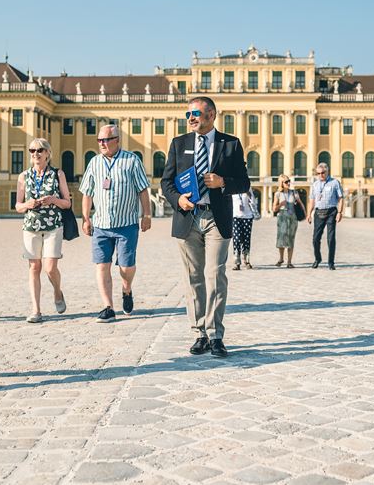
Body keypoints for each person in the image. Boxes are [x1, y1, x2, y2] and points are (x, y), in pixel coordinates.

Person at [162, 96, 249, 357]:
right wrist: (178, 199)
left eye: (196, 113)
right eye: (188, 114)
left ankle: (216, 334)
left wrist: (223, 182)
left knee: (215, 274)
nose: (191, 118)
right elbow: (166, 182)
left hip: (216, 218)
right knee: (193, 277)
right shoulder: (179, 144)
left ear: (211, 114)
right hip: (188, 217)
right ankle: (199, 332)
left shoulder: (230, 144)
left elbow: (244, 183)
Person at [80, 124, 151, 323]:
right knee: (102, 265)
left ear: (117, 140)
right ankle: (107, 307)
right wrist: (86, 218)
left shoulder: (131, 160)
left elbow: (143, 190)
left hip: (126, 224)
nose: (102, 143)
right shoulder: (94, 162)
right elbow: (87, 192)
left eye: (106, 140)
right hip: (101, 225)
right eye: (99, 140)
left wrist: (146, 215)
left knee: (126, 267)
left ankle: (126, 289)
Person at [15, 138, 71, 323]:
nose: (35, 154)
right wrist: (27, 204)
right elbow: (17, 206)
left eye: (39, 150)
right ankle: (36, 310)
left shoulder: (58, 174)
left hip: (53, 226)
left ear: (47, 153)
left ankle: (57, 292)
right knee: (34, 268)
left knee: (50, 268)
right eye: (32, 151)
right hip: (31, 227)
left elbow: (67, 202)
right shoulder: (23, 176)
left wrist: (53, 200)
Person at [307, 162, 344, 270]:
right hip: (319, 213)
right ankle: (317, 258)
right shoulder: (315, 185)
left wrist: (339, 212)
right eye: (318, 173)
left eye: (322, 173)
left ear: (327, 172)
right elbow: (312, 200)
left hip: (331, 211)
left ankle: (331, 262)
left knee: (331, 238)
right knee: (315, 238)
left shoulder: (335, 183)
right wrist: (309, 213)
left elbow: (340, 198)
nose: (320, 175)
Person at [272, 174, 307, 268]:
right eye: (286, 182)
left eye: (289, 181)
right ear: (281, 183)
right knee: (281, 239)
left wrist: (306, 214)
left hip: (292, 218)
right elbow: (274, 209)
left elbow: (300, 203)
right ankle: (281, 258)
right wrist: (280, 205)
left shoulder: (294, 192)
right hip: (282, 217)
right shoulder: (278, 194)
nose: (288, 183)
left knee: (291, 239)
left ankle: (289, 262)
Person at [231, 191, 256, 270]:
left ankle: (246, 260)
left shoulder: (248, 188)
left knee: (246, 239)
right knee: (237, 239)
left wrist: (249, 195)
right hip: (235, 216)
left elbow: (253, 202)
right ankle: (237, 262)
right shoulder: (232, 189)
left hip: (247, 217)